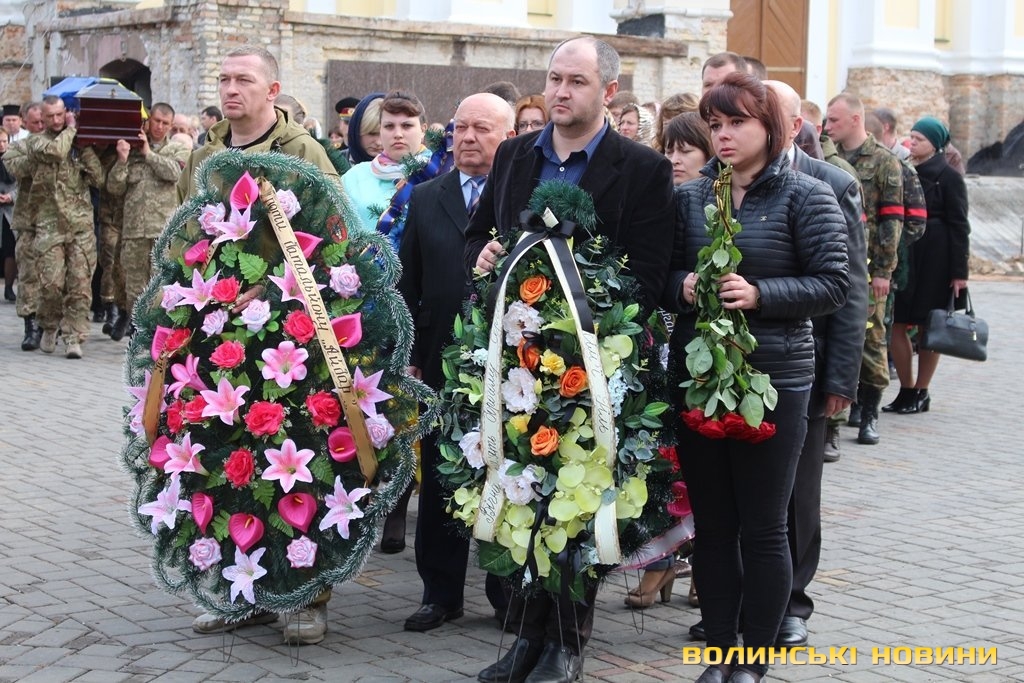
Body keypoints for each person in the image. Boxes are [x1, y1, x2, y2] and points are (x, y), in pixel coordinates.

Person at [467, 35, 675, 683]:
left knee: (577, 508)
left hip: (594, 368)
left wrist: (583, 321)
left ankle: (566, 643)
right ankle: (526, 637)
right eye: (555, 78)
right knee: (522, 498)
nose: (560, 91)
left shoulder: (641, 168)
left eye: (576, 81)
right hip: (516, 363)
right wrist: (483, 256)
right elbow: (481, 236)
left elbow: (648, 274)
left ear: (608, 91)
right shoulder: (514, 155)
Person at [666, 72, 848, 683]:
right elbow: (658, 276)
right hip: (700, 381)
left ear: (771, 128)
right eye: (715, 124)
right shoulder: (690, 198)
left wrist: (761, 294)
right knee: (714, 527)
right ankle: (720, 652)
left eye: (737, 123)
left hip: (777, 379)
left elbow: (834, 284)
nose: (723, 135)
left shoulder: (807, 196)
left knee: (765, 527)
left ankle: (754, 660)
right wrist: (682, 287)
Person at [176, 45, 339, 645]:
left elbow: (333, 238)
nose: (230, 89)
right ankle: (241, 592)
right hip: (215, 328)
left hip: (285, 332)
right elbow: (183, 237)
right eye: (223, 79)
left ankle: (304, 597)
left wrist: (269, 288)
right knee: (227, 464)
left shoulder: (302, 153)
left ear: (272, 90)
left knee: (295, 465)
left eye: (243, 79)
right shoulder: (205, 156)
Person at [398, 92, 516, 633]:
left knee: (505, 473)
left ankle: (506, 592)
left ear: (508, 137)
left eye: (481, 129)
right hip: (441, 358)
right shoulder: (427, 196)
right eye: (460, 128)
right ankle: (440, 593)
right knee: (443, 472)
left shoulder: (523, 196)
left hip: (511, 361)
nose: (467, 138)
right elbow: (410, 282)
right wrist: (412, 356)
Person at [766, 80, 868, 648]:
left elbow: (851, 291)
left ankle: (792, 601)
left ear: (793, 124)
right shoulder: (722, 181)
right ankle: (747, 598)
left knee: (798, 493)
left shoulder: (832, 183)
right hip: (742, 361)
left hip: (809, 363)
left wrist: (841, 378)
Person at [623, 110, 712, 612]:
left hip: (698, 349)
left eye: (687, 150)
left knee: (697, 463)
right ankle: (659, 558)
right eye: (670, 149)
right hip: (654, 344)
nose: (675, 159)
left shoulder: (715, 204)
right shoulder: (659, 199)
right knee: (657, 459)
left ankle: (700, 562)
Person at [825, 92, 904, 445]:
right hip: (838, 263)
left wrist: (884, 271)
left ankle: (870, 413)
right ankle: (842, 414)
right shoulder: (833, 159)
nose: (828, 127)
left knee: (872, 340)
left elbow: (892, 221)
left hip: (871, 268)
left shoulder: (885, 161)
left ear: (855, 119)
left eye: (834, 120)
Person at [888, 117, 970, 414]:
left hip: (937, 258)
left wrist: (959, 272)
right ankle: (906, 388)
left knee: (929, 325)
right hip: (907, 254)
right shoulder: (903, 170)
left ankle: (922, 390)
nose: (912, 143)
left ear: (934, 145)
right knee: (896, 322)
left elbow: (960, 226)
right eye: (911, 137)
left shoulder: (949, 176)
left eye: (919, 139)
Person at [21, 96, 104, 359]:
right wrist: (71, 128)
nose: (56, 120)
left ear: (65, 112)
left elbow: (99, 178)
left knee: (80, 285)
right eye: (51, 116)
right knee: (51, 285)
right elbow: (56, 151)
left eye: (60, 115)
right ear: (42, 118)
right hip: (49, 226)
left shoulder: (78, 144)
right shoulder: (37, 142)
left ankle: (73, 337)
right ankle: (49, 324)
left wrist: (86, 148)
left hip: (80, 226)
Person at [107, 102, 190, 337]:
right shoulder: (131, 151)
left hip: (163, 232)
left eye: (165, 123)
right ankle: (137, 330)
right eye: (156, 121)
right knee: (134, 286)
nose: (159, 127)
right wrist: (122, 160)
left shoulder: (177, 149)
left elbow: (176, 173)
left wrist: (149, 155)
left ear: (171, 126)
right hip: (134, 231)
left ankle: (157, 331)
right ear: (148, 121)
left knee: (160, 284)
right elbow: (114, 187)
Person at [340, 90, 433, 251]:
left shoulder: (441, 174)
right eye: (389, 126)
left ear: (423, 129)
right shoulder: (354, 177)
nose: (398, 134)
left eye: (407, 126)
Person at [3, 102, 44, 349]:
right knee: (28, 274)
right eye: (35, 122)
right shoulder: (18, 148)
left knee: (54, 278)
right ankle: (31, 326)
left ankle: (51, 323)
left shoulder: (60, 145)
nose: (40, 126)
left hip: (57, 221)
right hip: (27, 220)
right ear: (24, 122)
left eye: (43, 121)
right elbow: (16, 170)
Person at [345, 92, 385, 165]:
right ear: (356, 131)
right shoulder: (334, 163)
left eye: (384, 135)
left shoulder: (405, 167)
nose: (378, 142)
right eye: (372, 133)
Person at [0, 129, 16, 301]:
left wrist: (11, 197)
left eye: (4, 141)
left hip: (10, 211)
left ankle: (9, 287)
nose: (1, 145)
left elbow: (24, 183)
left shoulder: (14, 158)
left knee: (11, 250)